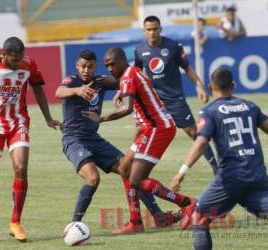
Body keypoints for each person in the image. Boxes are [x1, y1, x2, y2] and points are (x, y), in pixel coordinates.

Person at [55, 50, 181, 231]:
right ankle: (75, 224)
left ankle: (159, 217)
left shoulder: (99, 82)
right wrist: (78, 90)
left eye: (90, 66)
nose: (86, 70)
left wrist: (123, 89)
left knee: (129, 171)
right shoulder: (71, 81)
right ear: (77, 66)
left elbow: (127, 80)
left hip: (94, 139)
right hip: (74, 139)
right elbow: (59, 92)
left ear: (95, 66)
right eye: (83, 66)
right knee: (93, 178)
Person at [83, 47, 196, 235]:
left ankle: (188, 203)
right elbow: (118, 83)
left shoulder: (129, 76)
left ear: (121, 61)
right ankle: (135, 222)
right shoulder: (131, 73)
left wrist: (101, 118)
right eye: (106, 66)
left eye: (112, 64)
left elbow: (127, 108)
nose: (110, 68)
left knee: (137, 179)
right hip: (149, 129)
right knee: (124, 169)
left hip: (157, 128)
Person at [0, 37, 62, 243]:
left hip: (18, 123)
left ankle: (15, 222)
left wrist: (48, 118)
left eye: (19, 59)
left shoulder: (28, 64)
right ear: (3, 54)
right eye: (13, 60)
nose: (17, 64)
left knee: (21, 167)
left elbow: (38, 88)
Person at [171, 68, 268, 250]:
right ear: (233, 85)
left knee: (199, 217)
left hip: (230, 179)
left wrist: (182, 171)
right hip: (257, 175)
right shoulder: (250, 106)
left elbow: (201, 142)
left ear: (210, 86)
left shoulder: (210, 111)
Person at [133, 15, 218, 174]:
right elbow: (135, 73)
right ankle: (134, 168)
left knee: (194, 133)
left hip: (174, 99)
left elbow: (187, 68)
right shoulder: (139, 50)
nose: (152, 32)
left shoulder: (173, 47)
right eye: (149, 29)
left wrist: (199, 87)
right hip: (152, 101)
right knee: (141, 133)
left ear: (161, 29)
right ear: (144, 31)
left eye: (155, 29)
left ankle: (216, 168)